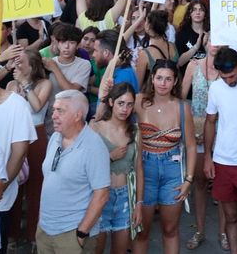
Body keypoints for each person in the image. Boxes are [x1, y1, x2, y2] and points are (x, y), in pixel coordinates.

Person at [136, 59, 196, 254]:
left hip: (173, 170)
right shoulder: (138, 101)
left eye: (168, 79)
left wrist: (188, 179)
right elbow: (108, 112)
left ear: (175, 82)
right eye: (159, 78)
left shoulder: (182, 107)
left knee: (170, 229)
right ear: (152, 79)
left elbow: (191, 145)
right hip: (144, 169)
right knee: (141, 231)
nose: (163, 83)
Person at [39, 90, 111, 253]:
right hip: (45, 229)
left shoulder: (94, 147)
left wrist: (81, 233)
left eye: (60, 111)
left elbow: (102, 195)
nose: (54, 115)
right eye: (54, 110)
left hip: (71, 234)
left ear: (78, 116)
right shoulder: (55, 138)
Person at [205, 47, 237, 254]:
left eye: (231, 76)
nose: (229, 81)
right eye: (224, 77)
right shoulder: (215, 88)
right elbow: (210, 121)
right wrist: (207, 157)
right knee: (230, 216)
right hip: (222, 161)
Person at [90, 83, 140, 254]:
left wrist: (138, 204)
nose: (125, 109)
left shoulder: (135, 131)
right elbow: (85, 165)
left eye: (129, 104)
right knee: (96, 248)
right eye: (121, 103)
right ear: (111, 102)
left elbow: (139, 169)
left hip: (125, 196)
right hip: (101, 195)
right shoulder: (95, 128)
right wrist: (110, 157)